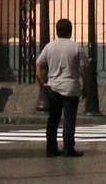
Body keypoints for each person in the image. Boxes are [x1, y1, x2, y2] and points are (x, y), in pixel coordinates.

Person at [36, 16, 87, 157]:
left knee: (53, 118)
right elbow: (84, 69)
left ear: (57, 31)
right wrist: (85, 86)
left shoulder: (49, 46)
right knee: (69, 119)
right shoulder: (76, 47)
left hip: (53, 87)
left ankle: (51, 148)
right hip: (71, 86)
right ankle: (68, 148)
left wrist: (42, 81)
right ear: (70, 31)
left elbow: (39, 64)